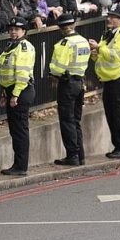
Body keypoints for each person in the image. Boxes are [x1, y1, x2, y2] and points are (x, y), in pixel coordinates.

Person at [89, 3, 120, 159]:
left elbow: (115, 55)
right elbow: (101, 56)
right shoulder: (107, 34)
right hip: (107, 79)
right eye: (109, 16)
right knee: (111, 114)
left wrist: (99, 49)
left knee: (118, 115)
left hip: (118, 79)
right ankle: (118, 146)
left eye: (113, 16)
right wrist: (94, 52)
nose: (109, 18)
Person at [49, 13, 90, 166]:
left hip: (67, 84)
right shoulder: (83, 41)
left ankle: (72, 155)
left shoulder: (64, 43)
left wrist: (52, 73)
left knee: (67, 120)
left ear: (61, 28)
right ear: (73, 25)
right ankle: (80, 155)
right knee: (76, 120)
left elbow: (58, 68)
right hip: (80, 82)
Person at [0, 16, 36, 176]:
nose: (13, 32)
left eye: (17, 29)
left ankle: (21, 166)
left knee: (20, 130)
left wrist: (15, 95)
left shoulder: (24, 47)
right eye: (11, 29)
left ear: (23, 31)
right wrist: (5, 93)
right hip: (12, 90)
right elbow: (6, 73)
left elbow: (21, 73)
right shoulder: (11, 46)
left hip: (21, 90)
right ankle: (18, 164)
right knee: (15, 130)